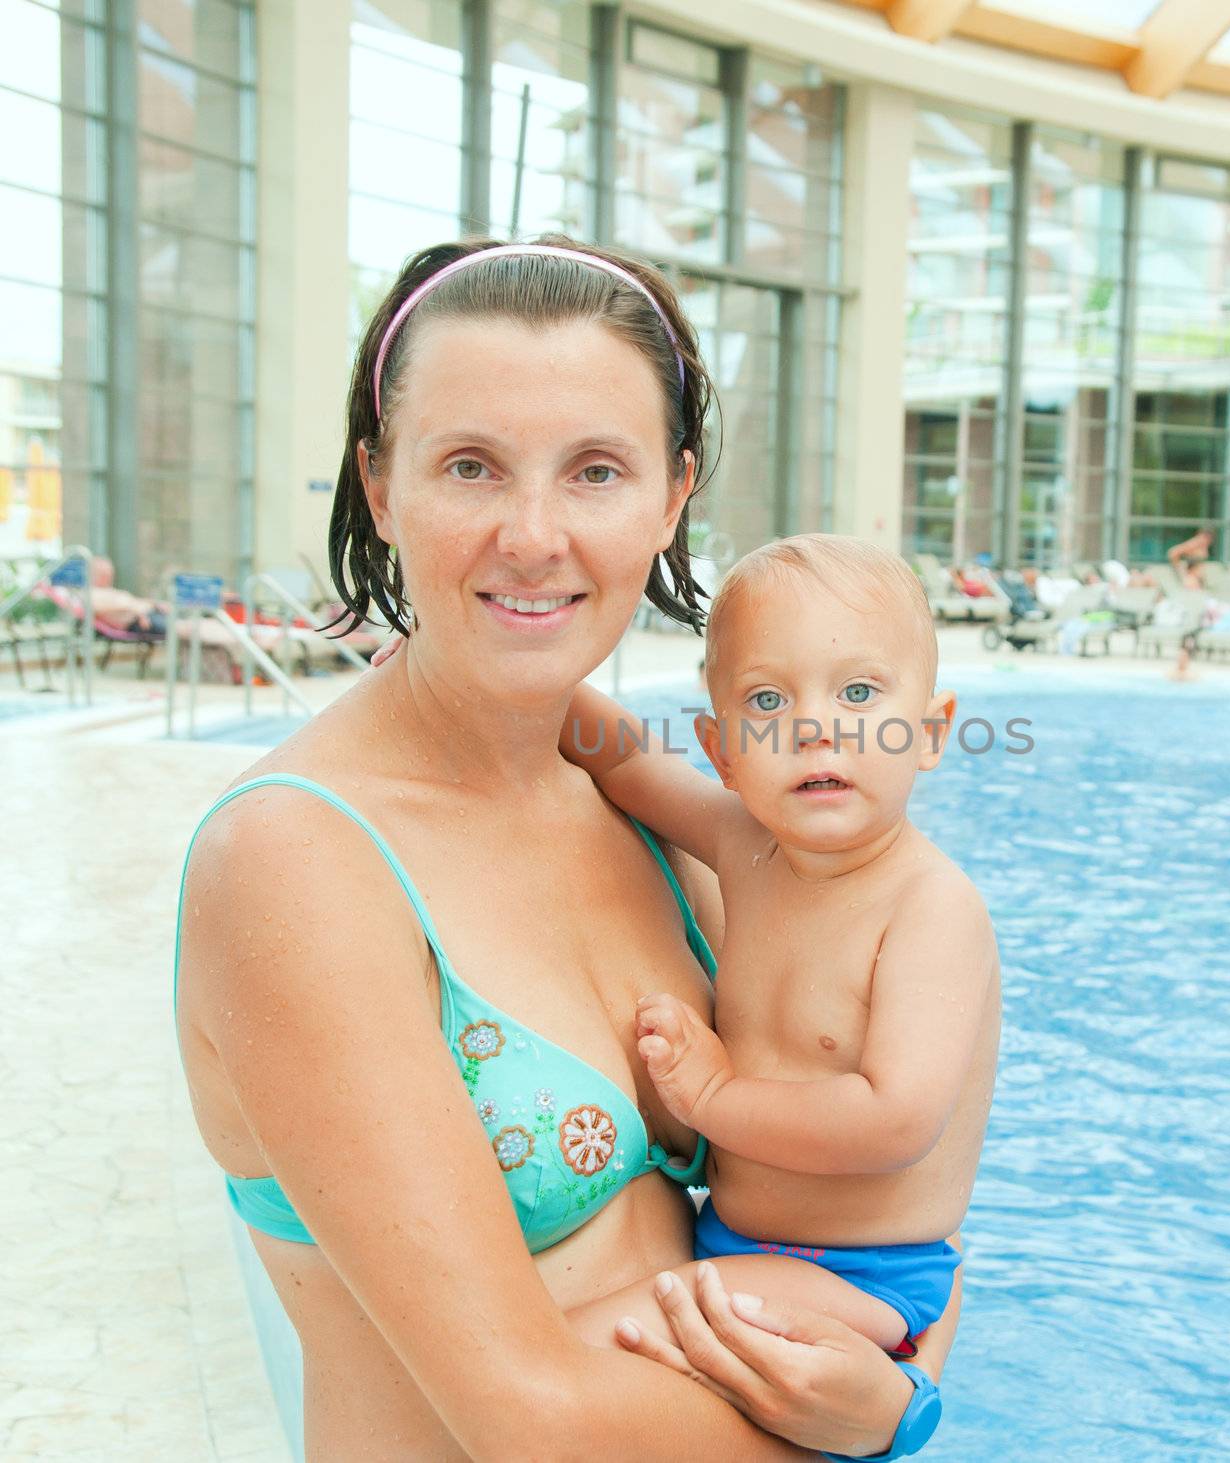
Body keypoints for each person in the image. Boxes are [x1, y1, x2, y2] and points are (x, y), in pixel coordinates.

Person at [174, 238, 959, 1461]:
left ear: (671, 495)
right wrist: (877, 1418)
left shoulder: (668, 826)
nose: (533, 535)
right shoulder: (299, 863)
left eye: (594, 470)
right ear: (380, 485)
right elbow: (525, 1415)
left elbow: (898, 1224)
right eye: (470, 465)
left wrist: (900, 1390)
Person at [558, 535, 1000, 1356]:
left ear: (932, 732)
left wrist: (714, 1099)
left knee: (588, 1341)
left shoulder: (931, 910)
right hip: (736, 1238)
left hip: (864, 1274)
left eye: (860, 691)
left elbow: (896, 1120)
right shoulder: (744, 846)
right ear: (722, 750)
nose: (815, 729)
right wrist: (517, 685)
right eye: (766, 701)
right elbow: (623, 762)